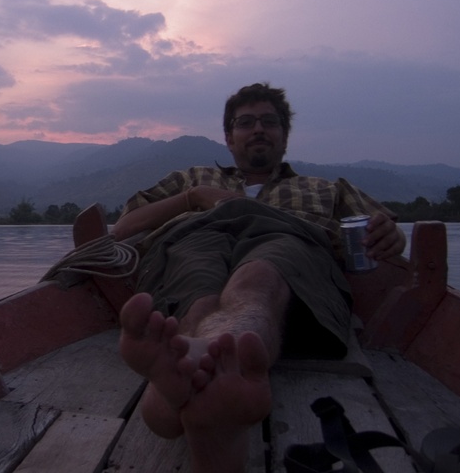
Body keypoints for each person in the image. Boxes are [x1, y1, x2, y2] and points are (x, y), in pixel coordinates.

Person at [112, 82, 406, 473]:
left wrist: (393, 235)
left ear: (285, 135)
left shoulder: (326, 188)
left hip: (287, 239)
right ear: (229, 137)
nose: (258, 129)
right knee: (195, 283)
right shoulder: (191, 179)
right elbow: (122, 228)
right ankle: (208, 375)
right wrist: (192, 198)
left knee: (260, 276)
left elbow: (385, 231)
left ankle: (197, 370)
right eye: (246, 122)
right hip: (195, 237)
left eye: (269, 122)